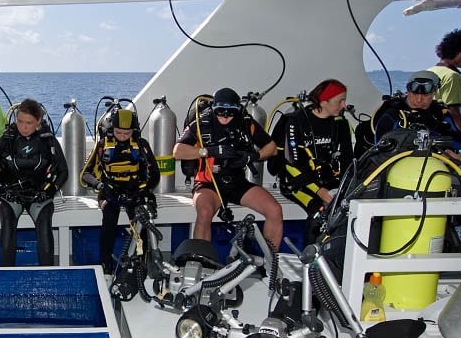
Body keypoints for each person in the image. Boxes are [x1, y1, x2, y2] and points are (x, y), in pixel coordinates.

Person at [172, 87, 283, 249]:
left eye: (230, 112)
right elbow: (177, 151)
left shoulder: (245, 122)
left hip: (236, 182)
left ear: (237, 110)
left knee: (274, 210)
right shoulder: (202, 122)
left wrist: (253, 156)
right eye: (220, 111)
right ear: (214, 108)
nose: (225, 116)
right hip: (208, 183)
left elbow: (272, 147)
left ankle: (270, 265)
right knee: (204, 213)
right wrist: (208, 151)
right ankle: (201, 265)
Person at [0, 98, 68, 266]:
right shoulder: (7, 138)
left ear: (38, 121)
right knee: (7, 222)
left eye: (29, 123)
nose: (23, 127)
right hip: (11, 193)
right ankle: (7, 276)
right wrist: (1, 189)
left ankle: (47, 276)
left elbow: (63, 171)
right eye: (20, 121)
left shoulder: (48, 140)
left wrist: (50, 190)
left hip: (39, 193)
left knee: (44, 224)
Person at [270, 79, 353, 242]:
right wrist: (320, 191)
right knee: (320, 212)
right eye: (339, 101)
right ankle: (310, 263)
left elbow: (347, 160)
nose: (344, 105)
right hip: (297, 182)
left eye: (344, 100)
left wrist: (346, 188)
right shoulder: (295, 122)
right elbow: (292, 166)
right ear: (324, 101)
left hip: (328, 181)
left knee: (345, 211)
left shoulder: (341, 124)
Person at [80, 106, 160, 276]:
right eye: (118, 133)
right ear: (111, 129)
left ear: (134, 131)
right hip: (110, 191)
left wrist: (143, 191)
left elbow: (155, 175)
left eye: (127, 133)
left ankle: (140, 264)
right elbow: (85, 174)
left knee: (141, 224)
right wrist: (101, 185)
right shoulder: (102, 145)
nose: (123, 137)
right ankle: (105, 265)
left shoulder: (141, 145)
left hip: (135, 190)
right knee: (109, 220)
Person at [371, 70, 461, 161]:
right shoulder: (394, 114)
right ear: (408, 90)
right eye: (414, 94)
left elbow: (460, 144)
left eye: (426, 95)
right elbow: (379, 151)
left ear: (435, 92)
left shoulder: (439, 113)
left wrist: (436, 127)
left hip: (432, 166)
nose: (419, 100)